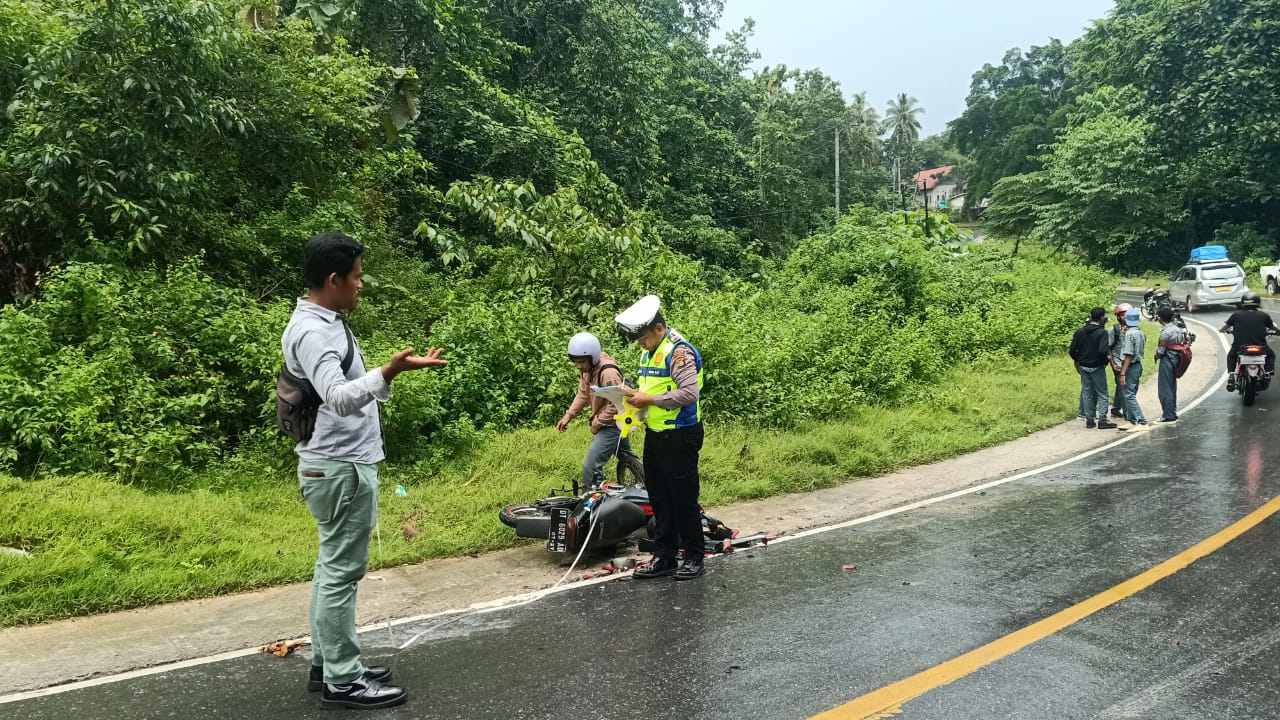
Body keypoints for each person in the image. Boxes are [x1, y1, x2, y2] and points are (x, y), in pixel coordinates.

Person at [282, 231, 447, 710]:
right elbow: (338, 396)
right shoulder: (315, 332)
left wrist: (388, 373)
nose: (361, 285)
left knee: (331, 567)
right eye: (355, 277)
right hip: (339, 466)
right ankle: (343, 680)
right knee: (340, 571)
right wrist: (388, 373)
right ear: (333, 280)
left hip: (337, 463)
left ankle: (330, 664)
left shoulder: (325, 321)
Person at [615, 295, 707, 581]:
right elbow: (648, 390)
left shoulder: (678, 353)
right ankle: (664, 556)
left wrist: (650, 399)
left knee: (683, 498)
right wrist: (629, 396)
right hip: (656, 434)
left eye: (643, 338)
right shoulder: (648, 353)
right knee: (659, 497)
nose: (641, 344)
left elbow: (689, 393)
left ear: (659, 328)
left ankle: (694, 556)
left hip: (681, 435)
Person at [556, 331, 642, 490]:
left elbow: (617, 402)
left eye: (582, 361)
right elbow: (583, 394)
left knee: (591, 466)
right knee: (627, 458)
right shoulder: (588, 369)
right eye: (576, 362)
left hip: (612, 423)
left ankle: (592, 499)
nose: (579, 366)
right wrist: (568, 416)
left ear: (593, 357)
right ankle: (647, 487)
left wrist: (597, 422)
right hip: (612, 421)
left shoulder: (608, 373)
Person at [1069, 307, 1119, 429]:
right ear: (1102, 318)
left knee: (1087, 392)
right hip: (1097, 367)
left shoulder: (1080, 331)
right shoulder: (1102, 332)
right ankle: (1102, 420)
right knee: (1102, 393)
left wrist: (1079, 360)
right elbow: (1103, 350)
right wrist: (1105, 361)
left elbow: (1072, 350)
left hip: (1083, 366)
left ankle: (1089, 420)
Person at [1221, 291, 1276, 392]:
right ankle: (1268, 372)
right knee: (1271, 355)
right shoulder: (1264, 315)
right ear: (1258, 303)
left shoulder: (1236, 315)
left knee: (1231, 356)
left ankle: (1231, 375)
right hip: (1260, 347)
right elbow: (1273, 327)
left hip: (1240, 347)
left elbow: (1225, 327)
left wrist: (1223, 330)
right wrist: (1276, 332)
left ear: (1243, 303)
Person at [1155, 306, 1188, 422]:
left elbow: (1161, 350)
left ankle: (1168, 414)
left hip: (1167, 359)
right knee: (1172, 386)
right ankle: (1172, 411)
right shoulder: (1178, 329)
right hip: (1177, 359)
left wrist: (1156, 355)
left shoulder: (1165, 332)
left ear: (1160, 318)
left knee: (1165, 388)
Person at [1118, 307, 1149, 427]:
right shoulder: (1140, 332)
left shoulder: (1129, 334)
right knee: (1132, 392)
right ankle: (1132, 419)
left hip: (1130, 366)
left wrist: (1122, 373)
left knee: (1128, 393)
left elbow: (1128, 355)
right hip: (1138, 365)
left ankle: (1140, 419)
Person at [1108, 303, 1132, 418]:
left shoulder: (1134, 329)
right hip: (1118, 363)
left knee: (1121, 386)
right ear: (1118, 316)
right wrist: (1113, 363)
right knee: (1123, 386)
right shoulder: (1114, 330)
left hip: (1129, 362)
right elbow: (1108, 348)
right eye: (1122, 315)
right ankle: (1128, 412)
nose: (1125, 317)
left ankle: (1116, 408)